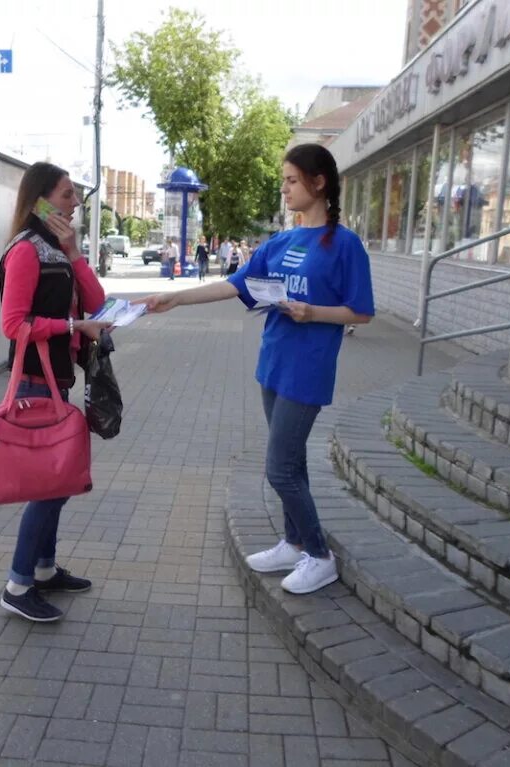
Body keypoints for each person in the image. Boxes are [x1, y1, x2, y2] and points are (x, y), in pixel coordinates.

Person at [136, 143, 375, 595]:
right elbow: (234, 286)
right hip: (273, 363)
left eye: (291, 180)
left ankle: (320, 556)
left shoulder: (344, 245)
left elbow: (361, 312)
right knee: (292, 461)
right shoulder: (279, 243)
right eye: (283, 181)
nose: (284, 189)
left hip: (308, 370)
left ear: (318, 182)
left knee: (280, 468)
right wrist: (176, 298)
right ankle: (292, 541)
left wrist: (314, 313)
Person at [0, 162, 111, 623]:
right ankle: (17, 584)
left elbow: (99, 300)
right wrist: (71, 325)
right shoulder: (25, 251)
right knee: (48, 489)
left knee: (58, 484)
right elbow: (12, 324)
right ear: (41, 200)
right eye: (67, 194)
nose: (76, 202)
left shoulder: (55, 249)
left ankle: (43, 570)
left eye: (75, 195)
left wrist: (74, 251)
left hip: (57, 379)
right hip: (33, 380)